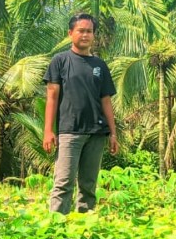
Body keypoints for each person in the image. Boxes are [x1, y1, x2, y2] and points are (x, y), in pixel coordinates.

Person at [43, 13, 119, 214]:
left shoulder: (100, 66)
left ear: (93, 35)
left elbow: (106, 100)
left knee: (88, 185)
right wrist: (48, 131)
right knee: (63, 183)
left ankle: (84, 228)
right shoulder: (60, 61)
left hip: (96, 132)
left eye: (89, 31)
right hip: (70, 131)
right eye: (81, 31)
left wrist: (113, 133)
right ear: (70, 33)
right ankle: (56, 229)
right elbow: (51, 97)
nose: (85, 35)